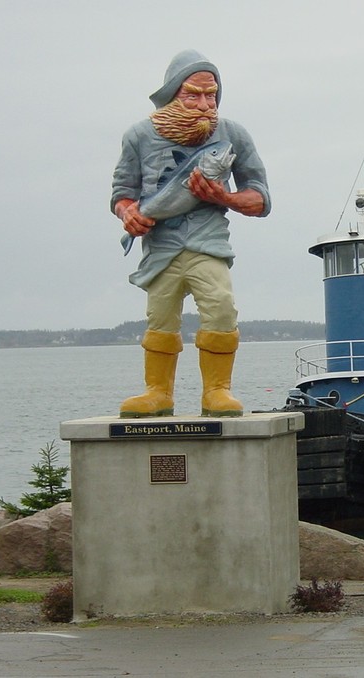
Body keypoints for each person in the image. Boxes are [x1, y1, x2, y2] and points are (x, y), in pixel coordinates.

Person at [111, 49, 271, 419]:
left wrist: (225, 197)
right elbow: (121, 192)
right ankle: (158, 392)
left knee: (221, 307)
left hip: (208, 242)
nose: (203, 104)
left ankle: (217, 390)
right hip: (160, 246)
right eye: (192, 95)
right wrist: (128, 214)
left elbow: (261, 198)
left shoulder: (233, 135)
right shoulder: (138, 136)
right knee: (160, 315)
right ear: (171, 95)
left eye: (210, 95)